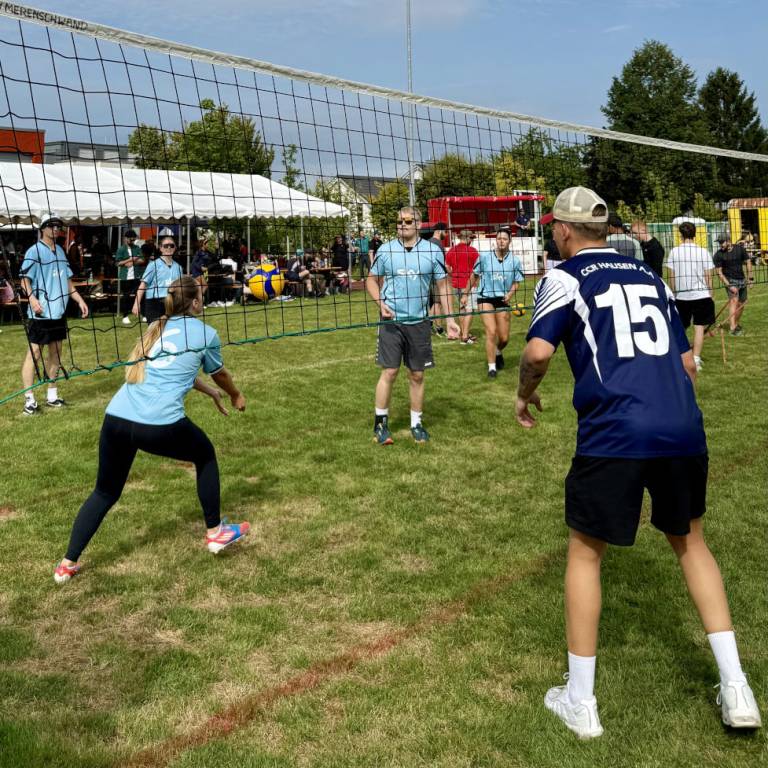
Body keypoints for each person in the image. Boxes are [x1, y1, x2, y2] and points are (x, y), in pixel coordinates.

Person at [515, 186, 761, 739]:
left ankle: (580, 701)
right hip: (679, 424)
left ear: (560, 229)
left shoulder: (562, 276)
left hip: (614, 431)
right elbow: (685, 362)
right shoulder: (649, 275)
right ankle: (737, 686)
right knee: (691, 542)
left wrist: (524, 393)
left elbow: (535, 353)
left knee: (585, 553)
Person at [53, 276, 249, 584]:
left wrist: (208, 391)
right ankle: (215, 532)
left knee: (105, 492)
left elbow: (170, 368)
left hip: (116, 418)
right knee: (205, 455)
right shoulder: (206, 333)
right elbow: (220, 373)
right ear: (196, 303)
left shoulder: (155, 327)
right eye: (202, 295)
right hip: (157, 424)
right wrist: (234, 394)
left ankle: (66, 564)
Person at [366, 206, 459, 445]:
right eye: (399, 221)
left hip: (419, 322)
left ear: (418, 224)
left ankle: (416, 424)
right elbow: (371, 281)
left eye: (407, 221)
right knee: (389, 371)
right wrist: (380, 304)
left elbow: (443, 287)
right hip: (391, 321)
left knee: (417, 374)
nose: (402, 225)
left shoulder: (432, 251)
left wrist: (450, 320)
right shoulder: (386, 250)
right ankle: (380, 424)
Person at [19, 213, 89, 415]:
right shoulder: (34, 251)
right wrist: (32, 299)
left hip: (59, 312)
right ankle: (29, 400)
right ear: (42, 228)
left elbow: (67, 282)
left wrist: (80, 300)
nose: (56, 229)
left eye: (58, 226)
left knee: (56, 353)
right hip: (41, 313)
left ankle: (52, 395)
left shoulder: (60, 250)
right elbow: (24, 279)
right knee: (34, 354)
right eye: (52, 226)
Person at [461, 228, 523, 379]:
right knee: (491, 331)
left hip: (502, 299)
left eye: (505, 239)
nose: (501, 241)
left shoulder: (514, 261)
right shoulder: (484, 257)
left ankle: (498, 351)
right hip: (485, 298)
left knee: (504, 338)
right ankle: (492, 368)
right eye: (499, 238)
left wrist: (509, 294)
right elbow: (474, 276)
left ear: (510, 241)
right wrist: (465, 293)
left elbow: (516, 282)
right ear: (496, 240)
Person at [666, 221, 715, 372]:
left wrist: (674, 293)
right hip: (701, 294)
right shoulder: (703, 251)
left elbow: (671, 276)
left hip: (683, 296)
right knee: (699, 328)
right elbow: (708, 275)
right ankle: (695, 359)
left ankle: (678, 356)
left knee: (680, 327)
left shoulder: (674, 252)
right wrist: (711, 292)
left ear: (680, 235)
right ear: (694, 234)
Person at [133, 230, 183, 324]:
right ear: (160, 248)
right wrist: (136, 303)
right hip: (154, 303)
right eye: (166, 246)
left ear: (175, 248)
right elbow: (143, 285)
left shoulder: (178, 267)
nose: (169, 248)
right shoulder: (153, 265)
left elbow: (179, 288)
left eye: (171, 245)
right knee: (155, 335)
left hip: (171, 303)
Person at [713, 236, 753, 336]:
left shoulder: (740, 249)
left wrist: (750, 278)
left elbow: (748, 261)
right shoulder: (718, 255)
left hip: (742, 280)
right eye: (719, 242)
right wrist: (729, 285)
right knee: (733, 301)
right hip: (730, 281)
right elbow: (719, 273)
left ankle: (735, 323)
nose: (720, 244)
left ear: (729, 241)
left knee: (741, 303)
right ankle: (732, 328)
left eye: (722, 242)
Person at [445, 229, 479, 344]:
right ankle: (465, 336)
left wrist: (453, 274)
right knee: (469, 309)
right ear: (468, 238)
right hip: (469, 284)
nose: (472, 241)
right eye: (472, 238)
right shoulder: (473, 251)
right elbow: (478, 270)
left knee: (462, 308)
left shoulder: (451, 251)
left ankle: (465, 333)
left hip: (456, 284)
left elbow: (447, 267)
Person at [116, 229, 146, 325]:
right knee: (126, 297)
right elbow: (118, 263)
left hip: (136, 276)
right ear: (126, 239)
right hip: (125, 277)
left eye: (133, 240)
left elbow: (142, 260)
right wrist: (128, 260)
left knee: (141, 295)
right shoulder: (121, 249)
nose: (132, 241)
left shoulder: (137, 248)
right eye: (130, 240)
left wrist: (132, 262)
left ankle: (144, 314)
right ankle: (125, 316)